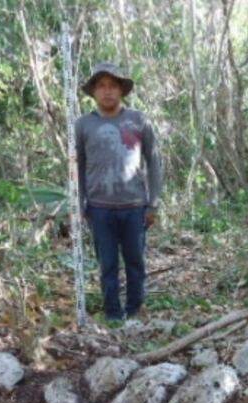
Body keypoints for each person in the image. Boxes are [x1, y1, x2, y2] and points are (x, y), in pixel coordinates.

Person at [75, 63, 162, 322]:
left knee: (135, 262)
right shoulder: (83, 125)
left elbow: (154, 160)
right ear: (93, 92)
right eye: (101, 86)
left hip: (135, 207)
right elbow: (76, 167)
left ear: (121, 90)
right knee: (107, 265)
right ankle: (113, 314)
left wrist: (153, 203)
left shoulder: (138, 121)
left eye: (113, 86)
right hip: (99, 208)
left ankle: (135, 309)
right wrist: (79, 203)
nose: (107, 91)